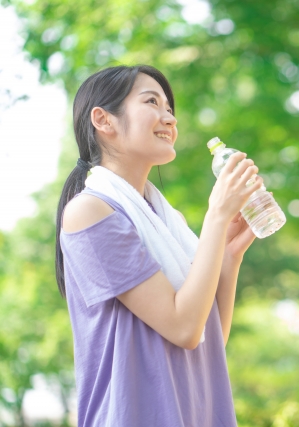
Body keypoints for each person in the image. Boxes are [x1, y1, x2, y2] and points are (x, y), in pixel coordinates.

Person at [55, 65, 262, 426]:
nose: (169, 118)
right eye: (152, 102)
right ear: (104, 120)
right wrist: (215, 217)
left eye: (170, 109)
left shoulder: (171, 222)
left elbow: (205, 338)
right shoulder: (89, 212)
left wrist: (229, 254)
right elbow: (182, 328)